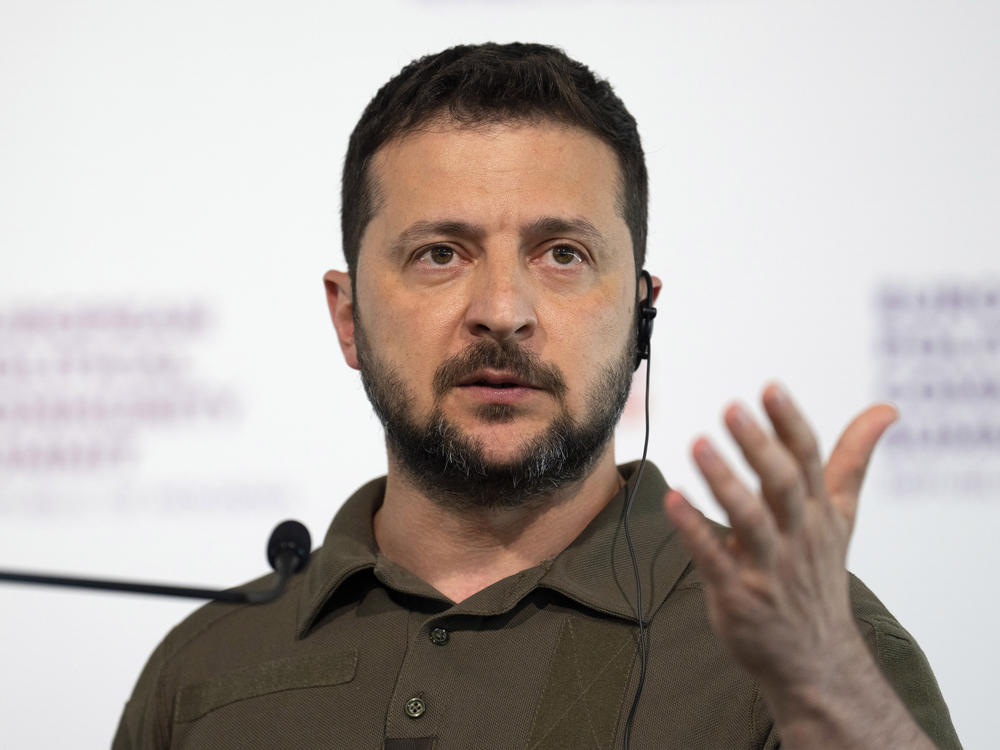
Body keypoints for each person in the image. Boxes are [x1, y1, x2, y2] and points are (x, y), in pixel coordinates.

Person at [113, 43, 961, 749]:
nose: (503, 314)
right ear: (348, 317)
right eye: (440, 253)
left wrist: (839, 700)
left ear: (641, 315)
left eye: (562, 254)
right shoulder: (201, 671)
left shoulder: (811, 649)